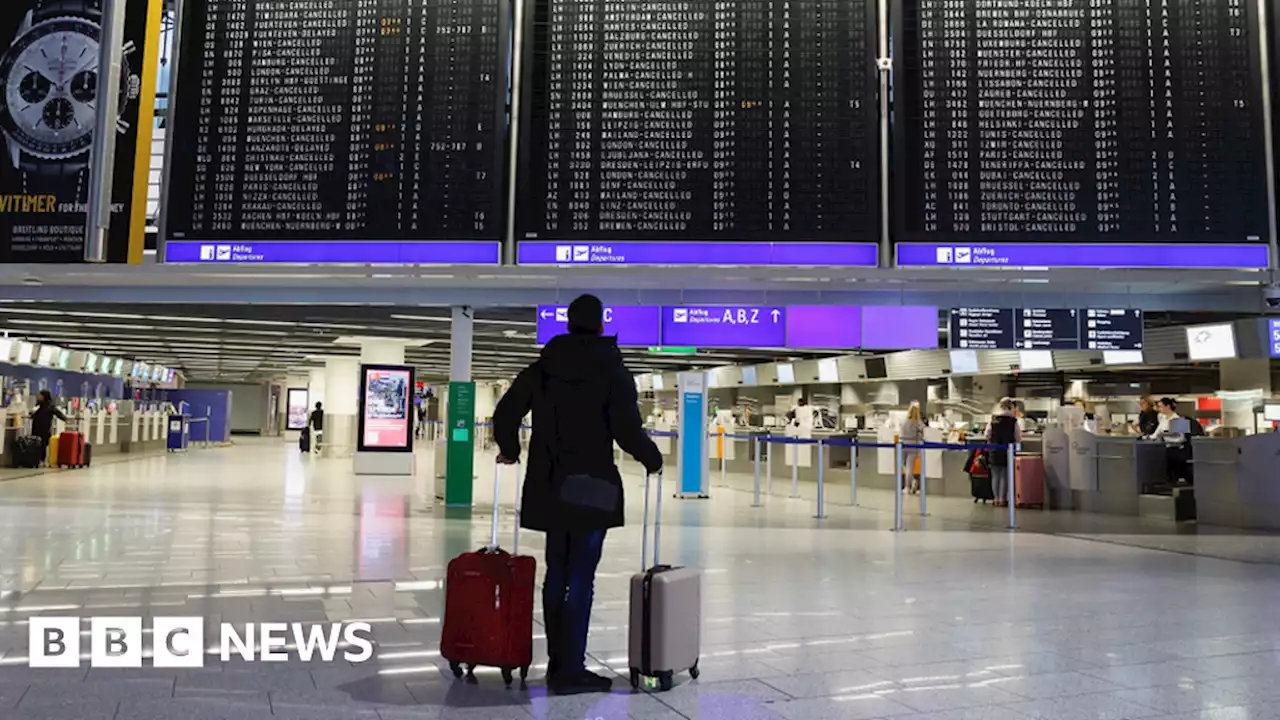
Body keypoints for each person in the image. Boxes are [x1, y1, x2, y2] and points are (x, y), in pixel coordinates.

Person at [493, 294, 663, 695]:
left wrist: (511, 451)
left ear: (568, 323)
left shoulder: (542, 369)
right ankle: (571, 669)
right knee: (581, 577)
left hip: (549, 485)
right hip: (592, 487)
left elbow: (506, 414)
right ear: (600, 325)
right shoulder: (613, 371)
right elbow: (626, 429)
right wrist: (652, 460)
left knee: (557, 572)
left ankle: (558, 664)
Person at [986, 398, 1022, 507]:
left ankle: (996, 498)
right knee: (1004, 475)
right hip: (1008, 450)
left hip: (994, 449)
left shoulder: (992, 420)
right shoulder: (1013, 421)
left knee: (995, 475)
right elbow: (1018, 436)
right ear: (1010, 406)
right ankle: (1002, 499)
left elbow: (987, 434)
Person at [30, 390, 67, 460]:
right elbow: (34, 414)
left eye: (40, 395)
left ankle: (41, 459)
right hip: (36, 426)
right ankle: (36, 458)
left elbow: (57, 413)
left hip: (45, 428)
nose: (39, 396)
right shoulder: (39, 405)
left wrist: (65, 419)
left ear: (44, 396)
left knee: (43, 444)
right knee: (36, 442)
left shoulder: (50, 406)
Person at [899, 403, 925, 494]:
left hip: (904, 445)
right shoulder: (918, 422)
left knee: (903, 464)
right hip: (914, 446)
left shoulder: (904, 421)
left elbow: (900, 432)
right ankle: (909, 485)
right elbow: (924, 432)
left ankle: (909, 484)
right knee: (910, 467)